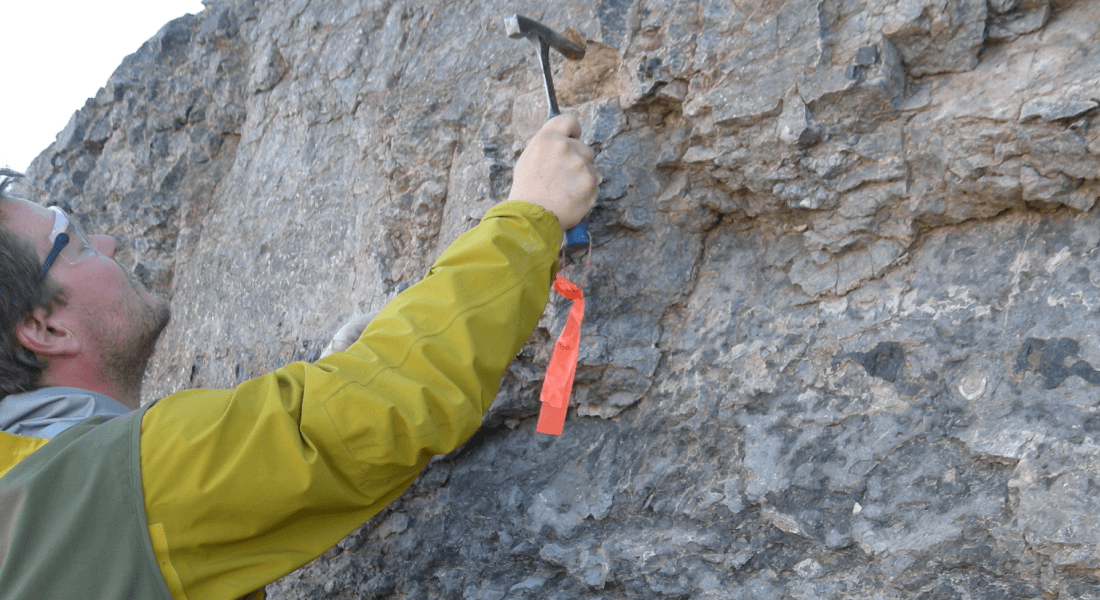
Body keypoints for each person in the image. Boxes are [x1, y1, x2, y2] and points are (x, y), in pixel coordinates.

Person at [0, 114, 598, 600]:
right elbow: (373, 410)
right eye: (71, 240)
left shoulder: (30, 501)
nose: (105, 243)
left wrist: (326, 377)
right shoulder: (103, 488)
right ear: (44, 327)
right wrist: (532, 216)